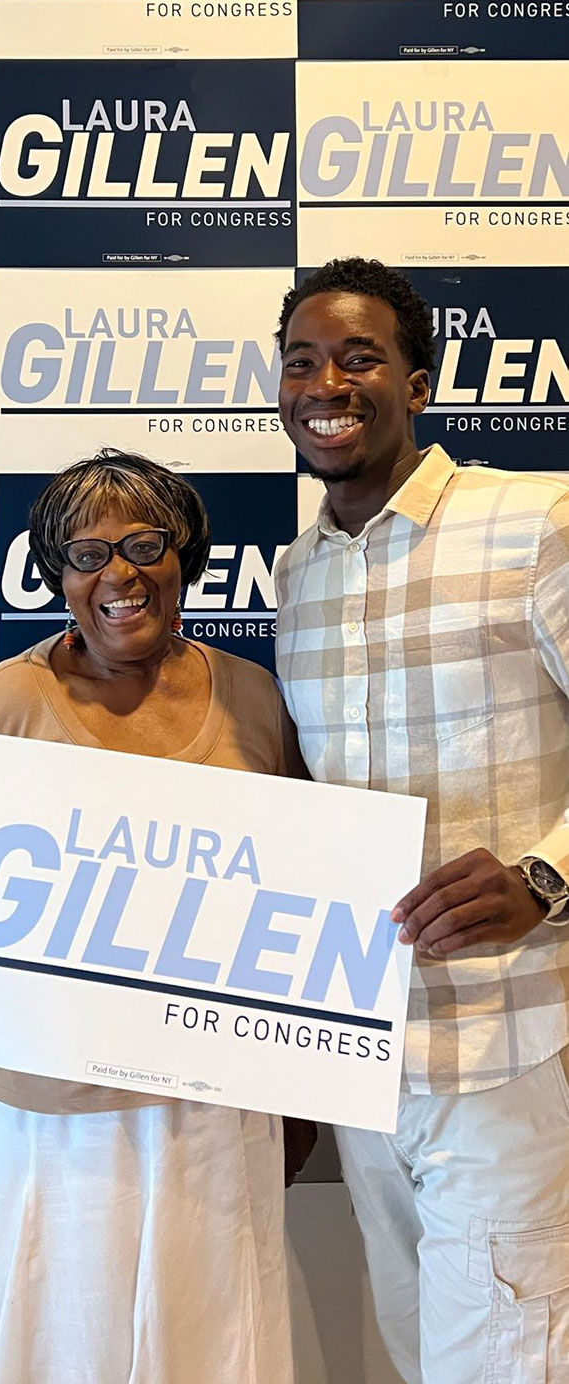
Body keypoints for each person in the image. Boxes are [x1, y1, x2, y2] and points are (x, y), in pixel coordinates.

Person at [0, 449, 314, 1384]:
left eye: (144, 545)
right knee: (56, 1350)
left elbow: (299, 886)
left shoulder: (253, 695)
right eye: (85, 553)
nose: (117, 575)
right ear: (56, 576)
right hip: (50, 1119)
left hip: (215, 1111)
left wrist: (303, 1080)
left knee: (211, 1351)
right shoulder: (8, 701)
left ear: (185, 558)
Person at [274, 258, 569, 1384]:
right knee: (415, 1357)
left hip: (509, 1049)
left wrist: (545, 878)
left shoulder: (530, 523)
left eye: (358, 357)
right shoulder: (299, 577)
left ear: (419, 379)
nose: (325, 383)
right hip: (363, 1060)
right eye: (301, 362)